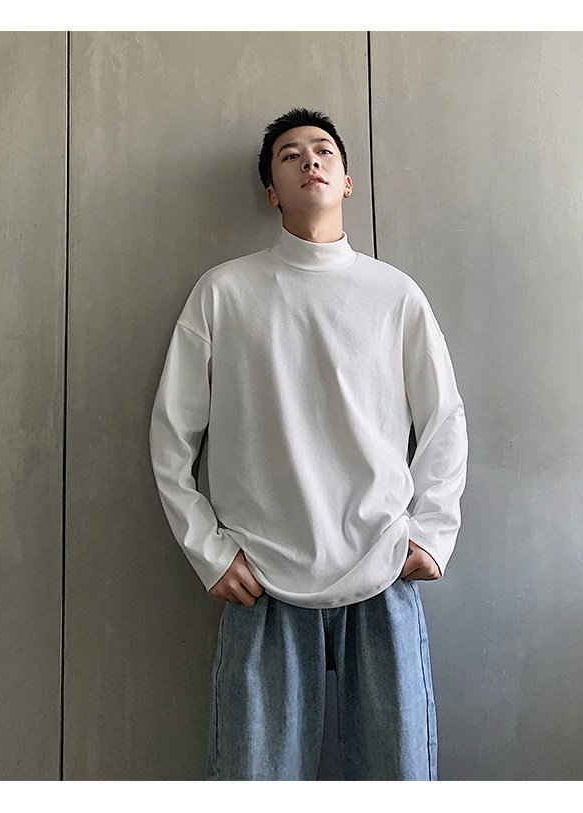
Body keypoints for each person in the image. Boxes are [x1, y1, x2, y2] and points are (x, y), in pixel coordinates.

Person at [149, 108, 468, 781]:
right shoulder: (224, 292)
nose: (309, 161)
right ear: (272, 190)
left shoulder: (394, 294)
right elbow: (172, 433)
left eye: (323, 150)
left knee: (399, 779)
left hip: (382, 569)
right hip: (262, 577)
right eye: (289, 155)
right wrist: (208, 550)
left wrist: (434, 532)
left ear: (346, 180)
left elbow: (444, 420)